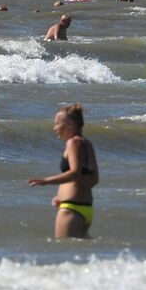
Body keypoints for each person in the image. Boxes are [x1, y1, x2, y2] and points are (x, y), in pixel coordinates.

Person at [26, 103, 97, 240]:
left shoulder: (73, 143)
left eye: (57, 123)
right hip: (86, 208)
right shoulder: (87, 144)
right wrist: (64, 194)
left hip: (71, 209)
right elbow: (94, 179)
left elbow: (75, 173)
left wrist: (45, 181)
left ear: (70, 124)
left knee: (64, 251)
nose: (54, 128)